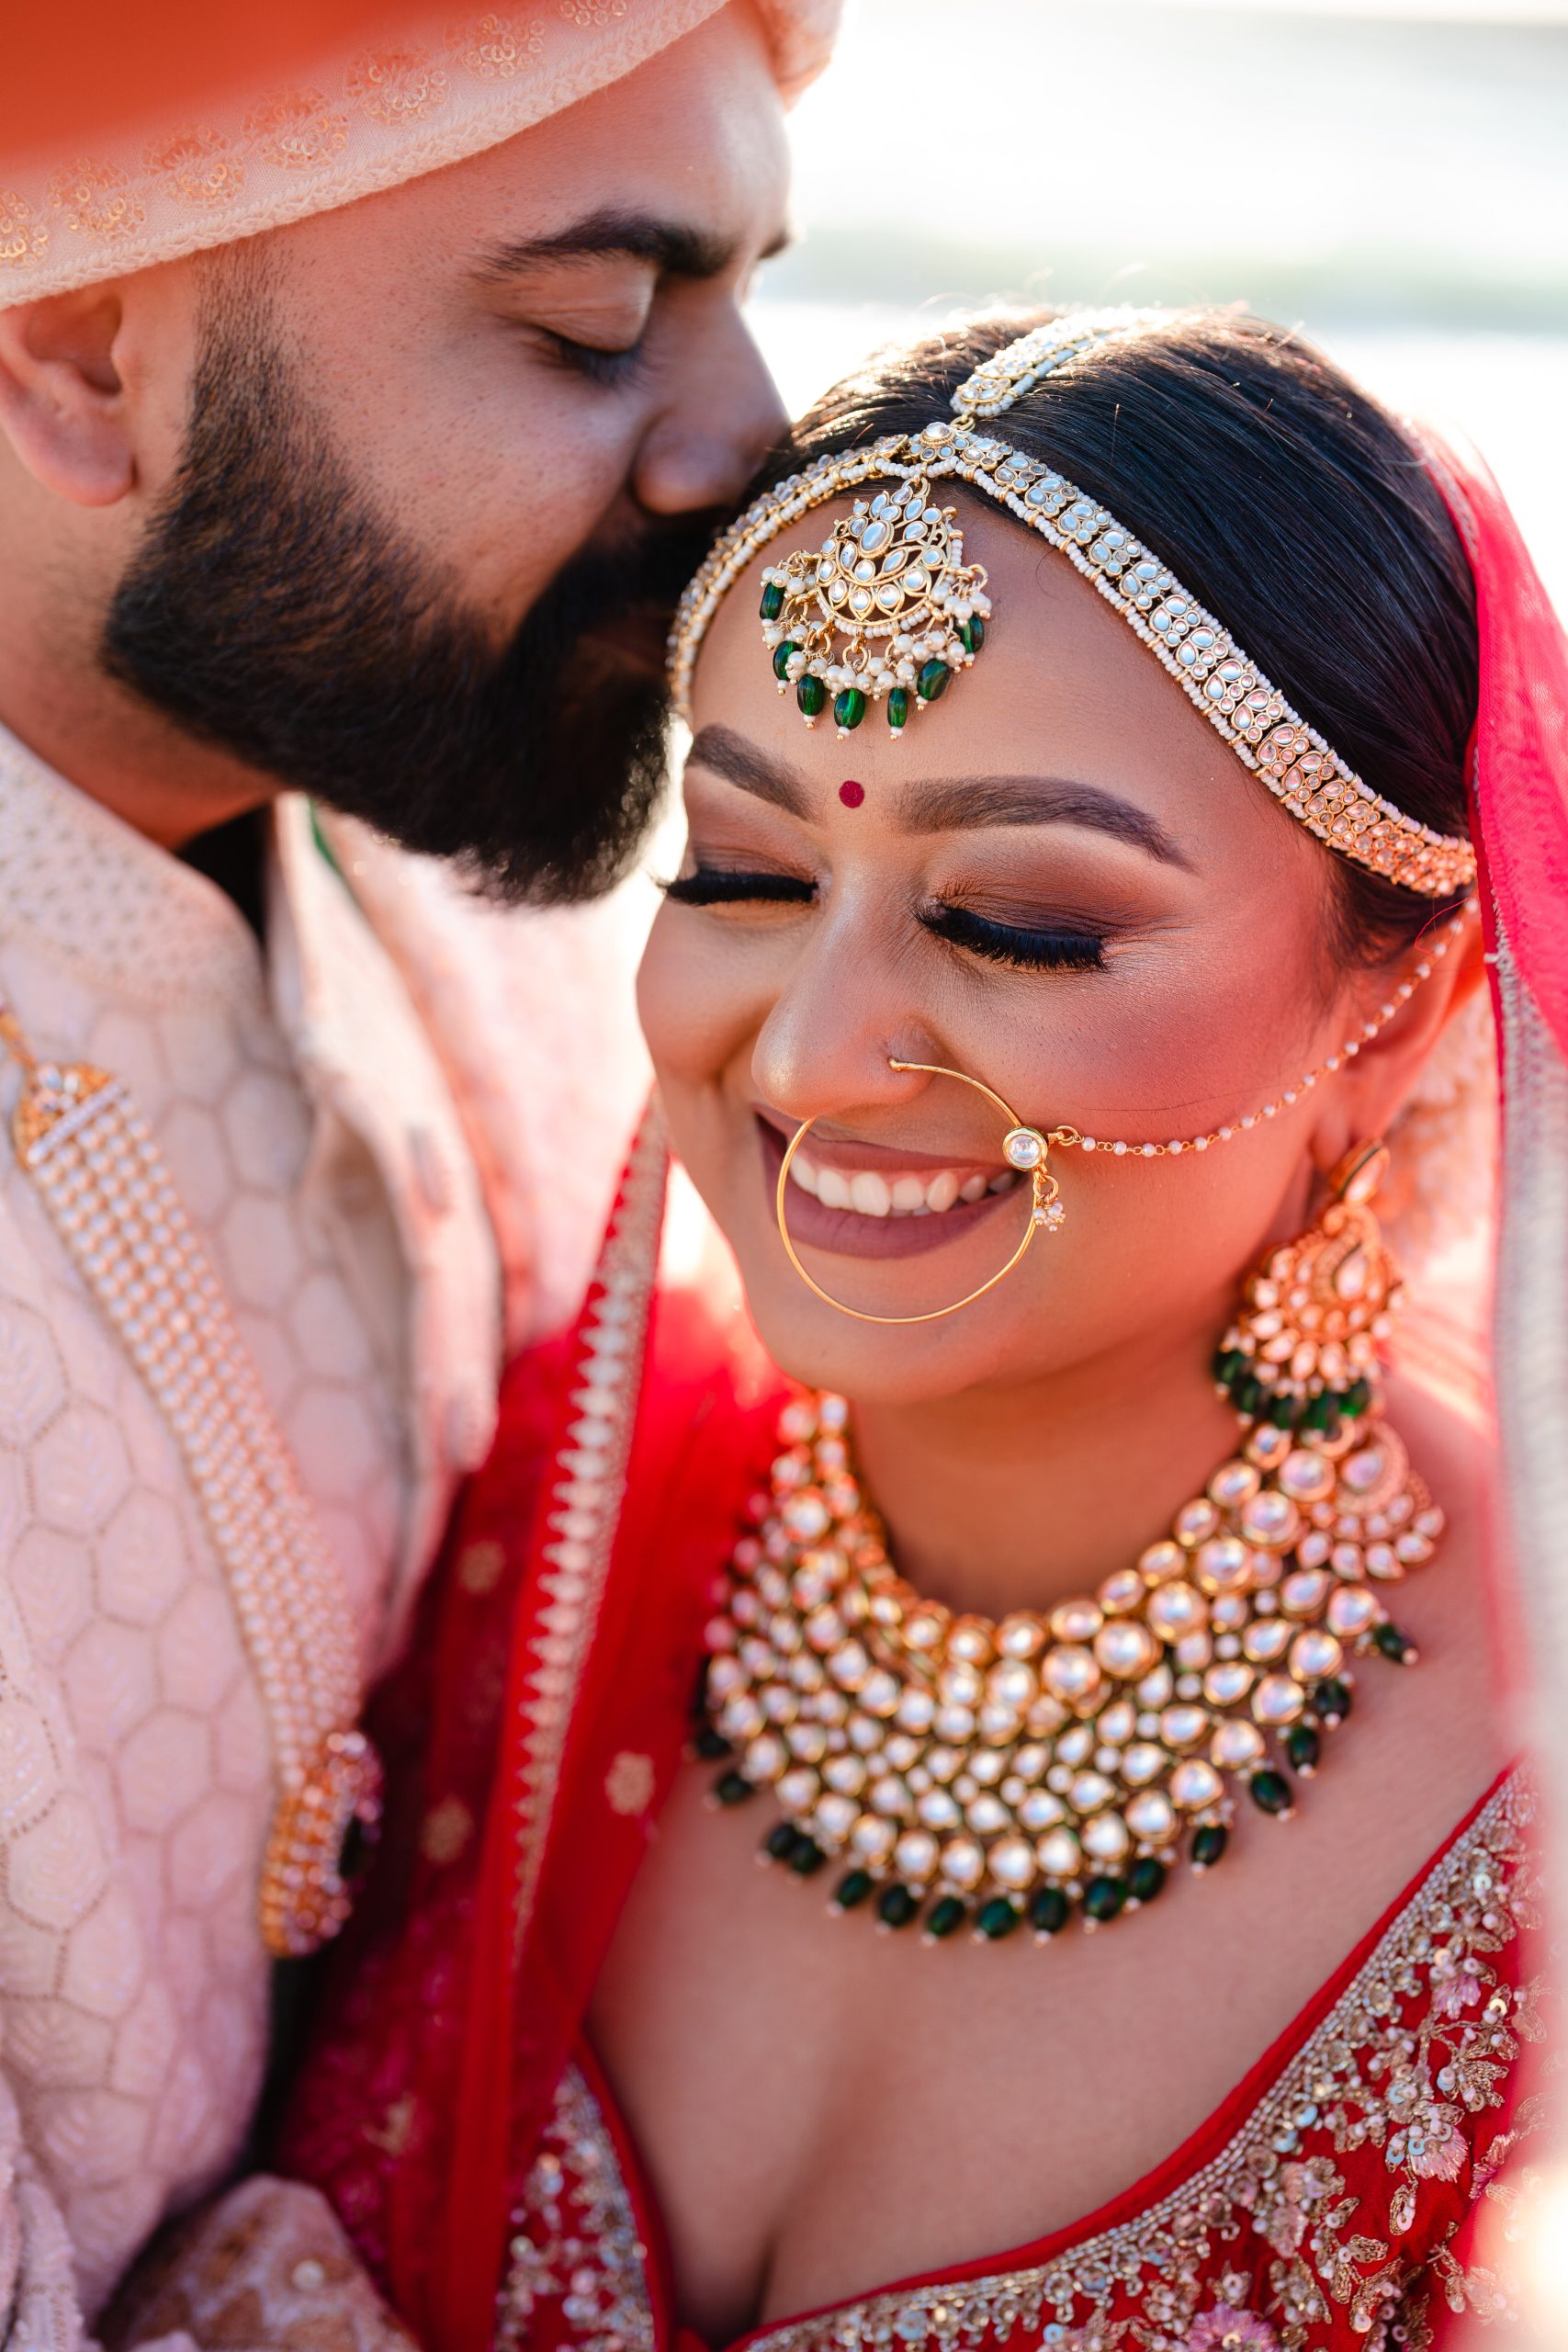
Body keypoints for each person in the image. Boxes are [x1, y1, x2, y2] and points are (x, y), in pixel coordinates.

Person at [264, 305, 1568, 2350]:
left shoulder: (1539, 1828)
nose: (808, 1049)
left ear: (1387, 1009)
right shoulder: (534, 1514)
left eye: (1015, 920)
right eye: (746, 871)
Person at [0, 3, 840, 2338]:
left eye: (754, 286)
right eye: (594, 321)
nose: (754, 443)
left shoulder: (465, 894)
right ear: (80, 349)